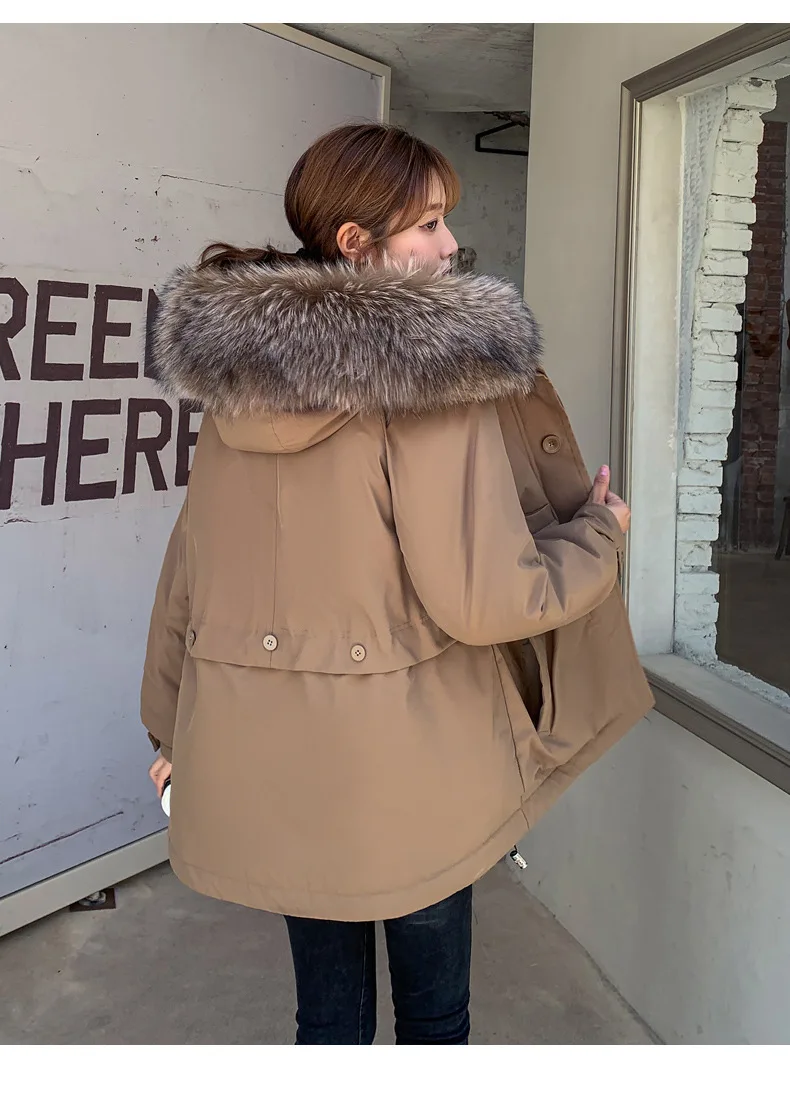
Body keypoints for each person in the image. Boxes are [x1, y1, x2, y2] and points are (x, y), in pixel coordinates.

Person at [142, 123, 653, 1045]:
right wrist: (600, 536)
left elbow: (192, 570)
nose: (451, 245)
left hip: (272, 757)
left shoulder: (233, 388)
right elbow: (488, 599)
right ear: (355, 242)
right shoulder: (429, 380)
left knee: (328, 1021)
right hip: (414, 768)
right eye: (428, 223)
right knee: (433, 1017)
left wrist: (173, 728)